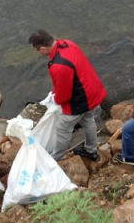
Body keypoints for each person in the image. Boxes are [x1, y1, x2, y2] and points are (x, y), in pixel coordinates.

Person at [29, 30, 108, 161]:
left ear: (43, 48)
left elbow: (63, 97)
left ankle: (55, 158)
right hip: (92, 91)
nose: (37, 53)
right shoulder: (69, 44)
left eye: (37, 51)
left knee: (62, 129)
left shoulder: (58, 66)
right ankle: (91, 150)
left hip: (81, 100)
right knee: (88, 120)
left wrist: (55, 98)